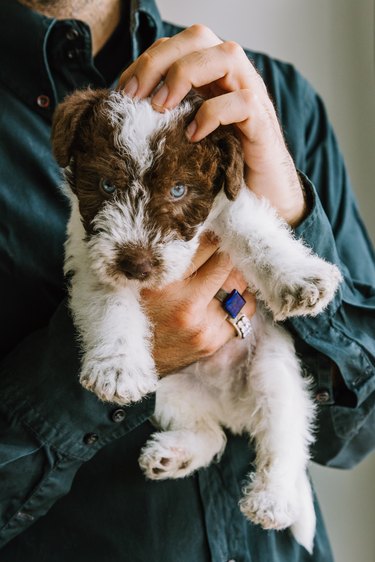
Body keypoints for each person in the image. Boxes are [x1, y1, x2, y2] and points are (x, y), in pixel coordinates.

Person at [0, 0, 374, 560]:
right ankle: (202, 435)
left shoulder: (275, 97)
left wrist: (295, 220)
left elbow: (359, 436)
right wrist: (83, 387)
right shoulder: (80, 127)